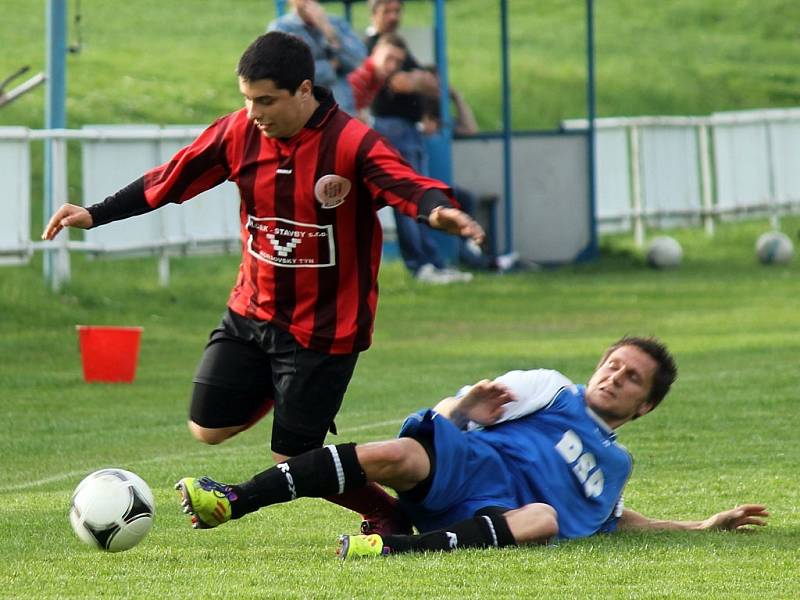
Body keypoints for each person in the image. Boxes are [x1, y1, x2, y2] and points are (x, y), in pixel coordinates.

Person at [42, 31, 484, 537]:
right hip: (252, 310)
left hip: (325, 332)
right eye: (248, 99)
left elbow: (407, 185)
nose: (254, 112)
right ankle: (285, 391)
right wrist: (94, 214)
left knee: (292, 458)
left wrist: (437, 210)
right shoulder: (238, 134)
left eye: (266, 100)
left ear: (304, 90)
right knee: (206, 428)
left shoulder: (352, 143)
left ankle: (387, 512)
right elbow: (171, 177)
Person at [173, 335, 769, 559]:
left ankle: (394, 551)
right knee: (404, 455)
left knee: (544, 518)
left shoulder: (616, 463)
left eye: (631, 378)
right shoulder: (551, 390)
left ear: (645, 407)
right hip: (469, 470)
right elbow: (445, 416)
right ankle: (235, 498)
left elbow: (614, 520)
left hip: (503, 515)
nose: (614, 377)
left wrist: (699, 527)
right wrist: (462, 411)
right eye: (613, 365)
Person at [365, 0, 470, 284]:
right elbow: (407, 83)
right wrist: (417, 79)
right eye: (387, 11)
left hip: (411, 129)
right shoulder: (372, 44)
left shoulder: (399, 46)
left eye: (397, 11)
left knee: (424, 196)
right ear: (373, 12)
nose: (394, 16)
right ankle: (420, 265)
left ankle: (433, 262)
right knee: (408, 196)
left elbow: (429, 83)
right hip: (392, 129)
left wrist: (419, 80)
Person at [268, 0, 366, 116]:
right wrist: (330, 67)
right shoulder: (282, 28)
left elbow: (359, 58)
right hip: (304, 112)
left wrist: (328, 31)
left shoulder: (336, 23)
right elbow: (288, 72)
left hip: (342, 108)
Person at [348, 32, 408, 123]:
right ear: (375, 51)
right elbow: (345, 114)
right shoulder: (361, 75)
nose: (393, 66)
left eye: (398, 62)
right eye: (388, 58)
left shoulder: (378, 77)